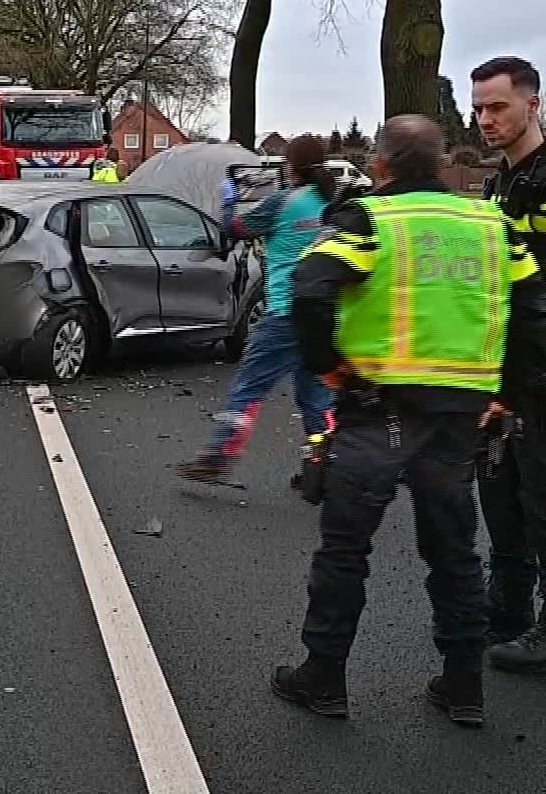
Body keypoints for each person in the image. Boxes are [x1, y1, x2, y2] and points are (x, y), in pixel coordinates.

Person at [271, 115, 546, 728]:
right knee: (454, 555)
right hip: (458, 417)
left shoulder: (369, 219)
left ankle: (324, 679)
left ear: (383, 166)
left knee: (344, 552)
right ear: (445, 164)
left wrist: (330, 369)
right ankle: (463, 687)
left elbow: (309, 289)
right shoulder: (493, 224)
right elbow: (532, 310)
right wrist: (506, 393)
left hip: (377, 410)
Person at [177, 135, 337, 485]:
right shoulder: (332, 202)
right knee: (315, 397)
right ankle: (325, 463)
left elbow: (234, 230)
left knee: (249, 388)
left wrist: (228, 203)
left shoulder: (282, 203)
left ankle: (220, 454)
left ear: (289, 165)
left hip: (286, 311)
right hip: (327, 315)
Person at [470, 55, 546, 659]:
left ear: (532, 105)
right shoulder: (501, 182)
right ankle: (507, 608)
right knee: (501, 493)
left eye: (497, 107)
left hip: (539, 370)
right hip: (504, 366)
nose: (485, 120)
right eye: (478, 110)